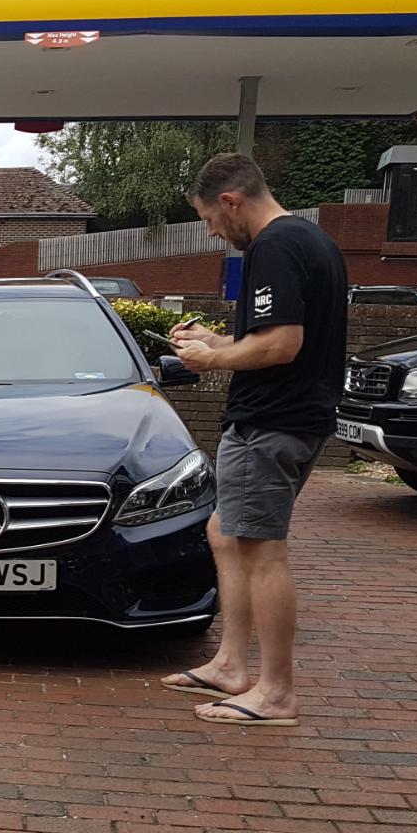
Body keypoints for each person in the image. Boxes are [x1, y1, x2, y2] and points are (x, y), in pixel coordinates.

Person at [163, 152, 347, 727]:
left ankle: (275, 694)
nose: (215, 233)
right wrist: (214, 340)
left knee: (260, 549)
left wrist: (207, 360)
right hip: (289, 416)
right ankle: (230, 665)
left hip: (272, 421)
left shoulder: (274, 246)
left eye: (212, 221)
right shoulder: (310, 241)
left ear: (231, 201)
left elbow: (281, 345)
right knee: (226, 532)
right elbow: (272, 337)